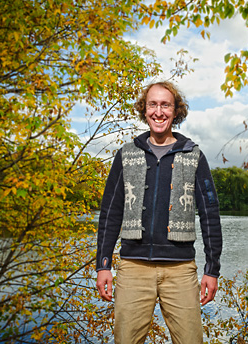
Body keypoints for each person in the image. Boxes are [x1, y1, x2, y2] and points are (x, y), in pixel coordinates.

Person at [95, 81, 222, 344]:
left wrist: (212, 269)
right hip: (133, 268)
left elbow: (209, 213)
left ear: (176, 112)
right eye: (152, 104)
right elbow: (110, 211)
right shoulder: (126, 155)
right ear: (144, 109)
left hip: (180, 269)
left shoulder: (193, 155)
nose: (159, 111)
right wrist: (103, 264)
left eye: (166, 105)